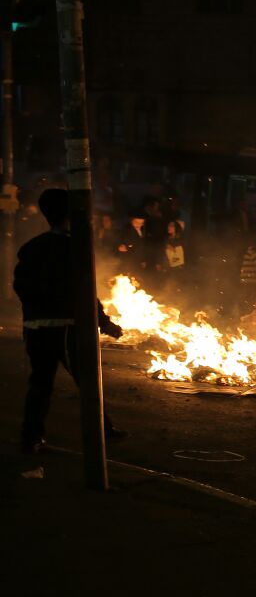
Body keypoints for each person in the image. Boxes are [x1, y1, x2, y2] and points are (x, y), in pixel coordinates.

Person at [13, 188, 126, 459]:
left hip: (35, 328)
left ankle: (31, 439)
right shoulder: (74, 246)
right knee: (87, 380)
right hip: (64, 327)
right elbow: (85, 290)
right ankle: (102, 433)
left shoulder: (30, 247)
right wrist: (105, 323)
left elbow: (20, 287)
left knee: (40, 383)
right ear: (70, 214)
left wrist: (34, 313)